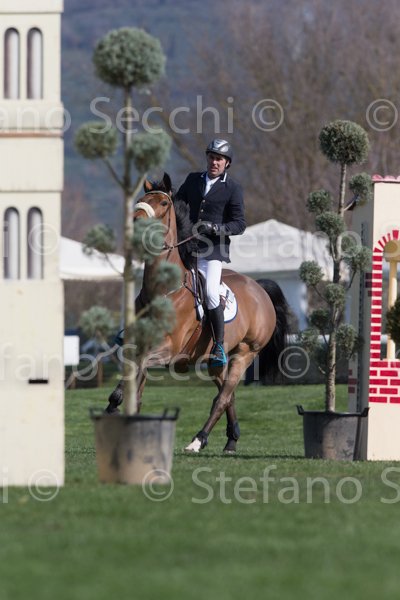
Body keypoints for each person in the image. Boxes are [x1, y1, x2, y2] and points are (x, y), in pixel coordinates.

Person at [177, 139, 246, 367]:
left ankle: (218, 346)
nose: (214, 162)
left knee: (210, 293)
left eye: (219, 159)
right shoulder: (192, 180)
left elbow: (239, 224)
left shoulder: (233, 188)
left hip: (213, 251)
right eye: (211, 157)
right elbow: (178, 206)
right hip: (187, 247)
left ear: (227, 163)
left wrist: (216, 228)